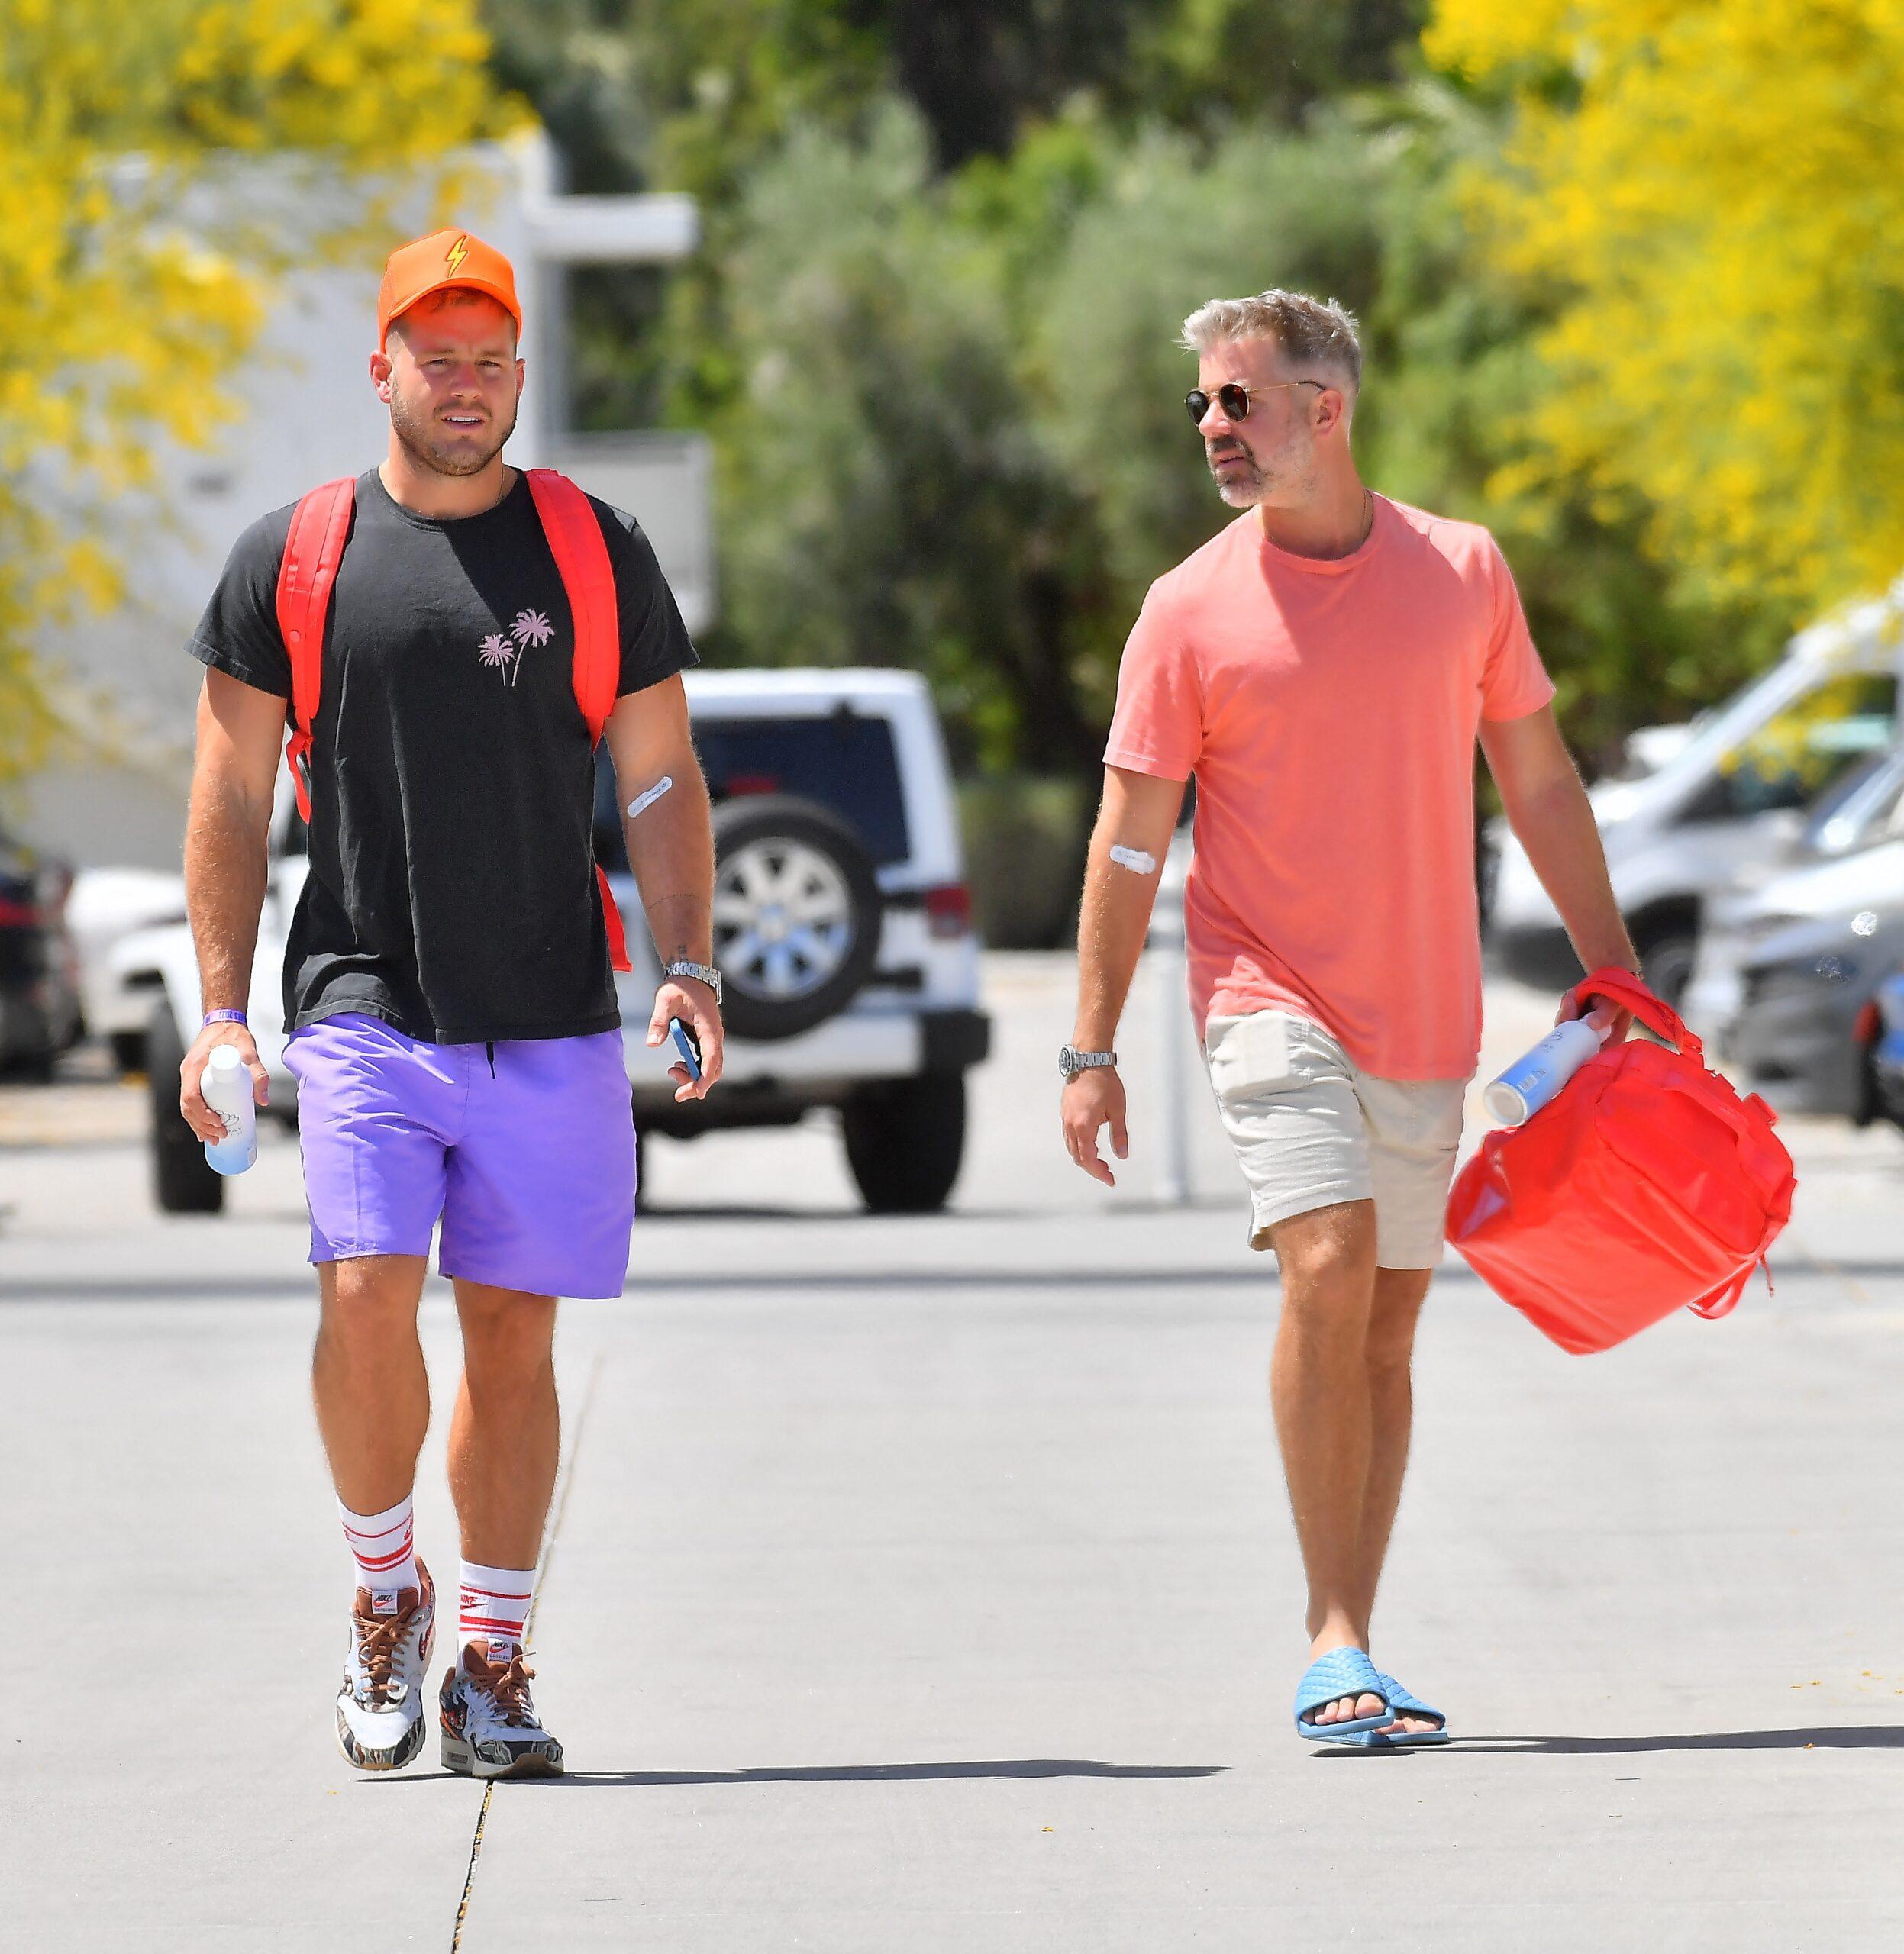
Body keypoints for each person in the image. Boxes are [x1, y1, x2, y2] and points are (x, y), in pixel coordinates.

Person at [177, 228, 724, 1779]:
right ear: (384, 368)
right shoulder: (295, 555)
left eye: (490, 357)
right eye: (437, 354)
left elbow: (662, 772)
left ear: (518, 375)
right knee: (361, 1290)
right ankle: (380, 1594)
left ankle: (489, 1652)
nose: (465, 381)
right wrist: (222, 1011)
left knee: (509, 1339)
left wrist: (684, 962)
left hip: (551, 1006)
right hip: (361, 996)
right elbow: (225, 794)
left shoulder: (593, 549)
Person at [1059, 289, 1637, 1748]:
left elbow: (1541, 782)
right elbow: (1130, 841)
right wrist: (1089, 1044)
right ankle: (1329, 1642)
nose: (1210, 427)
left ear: (1327, 407)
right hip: (1266, 995)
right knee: (1323, 1264)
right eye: (1199, 403)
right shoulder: (1187, 612)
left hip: (1423, 1016)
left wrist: (1614, 969)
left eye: (1235, 401)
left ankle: (1355, 1639)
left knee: (1383, 1328)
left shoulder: (1462, 572)